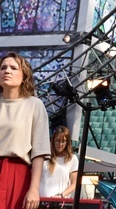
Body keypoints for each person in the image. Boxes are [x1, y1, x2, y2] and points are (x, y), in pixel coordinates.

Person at [0, 51, 51, 209]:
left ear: (24, 76)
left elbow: (39, 151)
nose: (7, 71)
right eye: (3, 67)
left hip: (17, 173)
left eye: (13, 68)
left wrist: (34, 189)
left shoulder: (34, 105)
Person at [39, 126, 79, 199]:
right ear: (53, 141)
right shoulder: (44, 157)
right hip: (41, 200)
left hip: (60, 201)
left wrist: (61, 195)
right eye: (57, 140)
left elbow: (75, 183)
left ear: (67, 142)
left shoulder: (72, 159)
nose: (60, 144)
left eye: (63, 141)